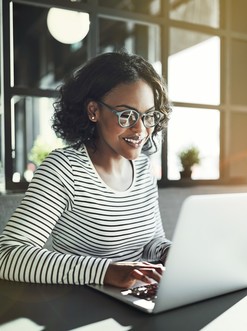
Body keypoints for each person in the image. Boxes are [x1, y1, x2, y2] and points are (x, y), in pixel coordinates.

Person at [0, 51, 172, 288]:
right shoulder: (63, 169)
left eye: (148, 116)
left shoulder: (142, 168)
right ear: (94, 111)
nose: (140, 129)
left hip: (136, 299)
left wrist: (170, 252)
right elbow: (8, 255)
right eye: (126, 115)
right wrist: (106, 272)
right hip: (78, 306)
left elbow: (151, 241)